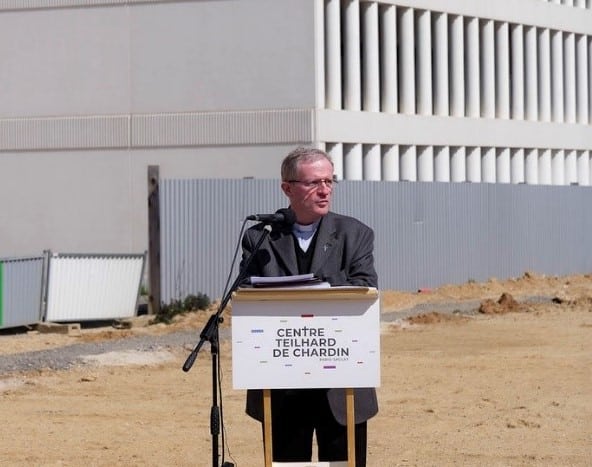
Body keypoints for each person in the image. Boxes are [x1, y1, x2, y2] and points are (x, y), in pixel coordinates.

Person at [239, 146, 378, 466]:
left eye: (329, 181)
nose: (325, 189)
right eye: (314, 182)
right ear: (287, 188)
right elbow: (246, 294)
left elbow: (365, 289)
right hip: (282, 381)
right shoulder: (260, 237)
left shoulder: (354, 234)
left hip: (340, 380)